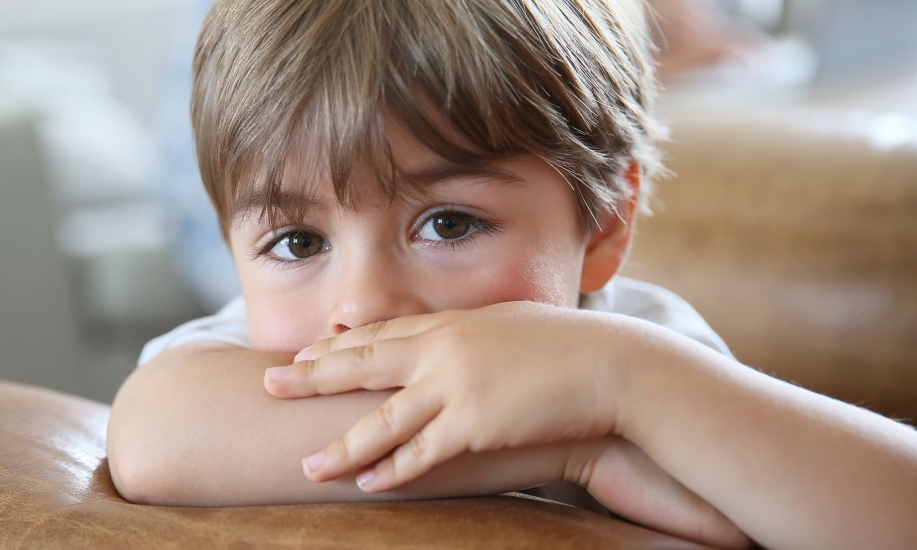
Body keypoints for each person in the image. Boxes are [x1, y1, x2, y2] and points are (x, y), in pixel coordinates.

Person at [107, 1, 917, 548]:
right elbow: (150, 438)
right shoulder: (251, 361)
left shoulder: (640, 350)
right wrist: (579, 448)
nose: (361, 305)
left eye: (448, 224)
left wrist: (624, 385)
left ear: (604, 223)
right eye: (296, 243)